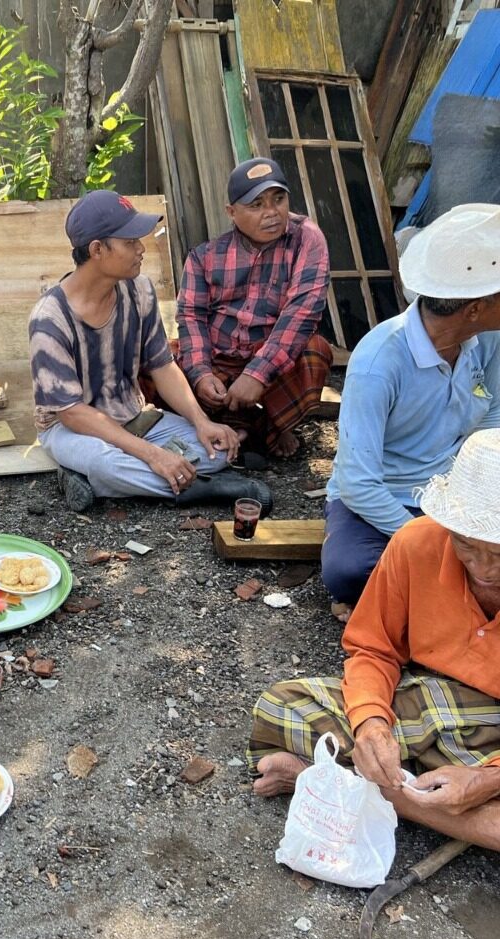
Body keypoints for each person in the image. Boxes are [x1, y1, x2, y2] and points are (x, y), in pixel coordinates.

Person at [249, 428, 500, 851]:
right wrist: (371, 724)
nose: (484, 569)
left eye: (499, 553)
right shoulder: (416, 544)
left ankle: (339, 783)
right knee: (280, 705)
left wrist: (487, 777)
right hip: (432, 699)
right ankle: (432, 797)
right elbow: (372, 646)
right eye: (465, 546)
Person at [28, 189, 273, 514]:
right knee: (107, 464)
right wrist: (151, 453)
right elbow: (72, 412)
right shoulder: (50, 317)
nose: (141, 249)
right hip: (70, 429)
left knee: (211, 450)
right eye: (130, 242)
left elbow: (163, 366)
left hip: (134, 415)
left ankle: (94, 482)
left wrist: (201, 422)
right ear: (97, 250)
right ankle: (202, 490)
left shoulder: (139, 290)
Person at [322, 203, 500, 622]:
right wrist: (433, 540)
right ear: (474, 308)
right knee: (347, 571)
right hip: (387, 498)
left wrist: (480, 496)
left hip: (462, 491)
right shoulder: (378, 361)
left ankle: (418, 597)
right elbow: (358, 484)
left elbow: (494, 424)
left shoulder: (488, 340)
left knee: (471, 565)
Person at [176, 157, 333, 459]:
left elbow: (302, 312)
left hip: (271, 365)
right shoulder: (204, 256)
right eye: (256, 205)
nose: (272, 213)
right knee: (158, 366)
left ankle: (252, 427)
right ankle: (257, 429)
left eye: (278, 199)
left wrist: (258, 374)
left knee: (315, 351)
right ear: (231, 213)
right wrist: (200, 373)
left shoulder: (306, 239)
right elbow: (191, 316)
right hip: (220, 360)